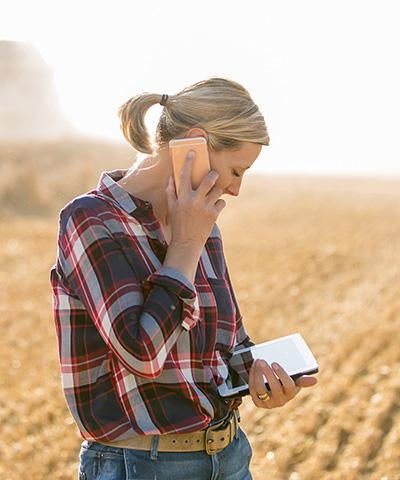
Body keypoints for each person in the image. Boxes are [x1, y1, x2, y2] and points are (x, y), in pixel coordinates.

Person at [50, 77, 317, 480]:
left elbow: (226, 346)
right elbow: (143, 355)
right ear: (193, 144)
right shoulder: (93, 219)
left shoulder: (202, 225)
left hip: (229, 456)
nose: (236, 189)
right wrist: (186, 242)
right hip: (143, 464)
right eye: (235, 170)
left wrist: (256, 375)